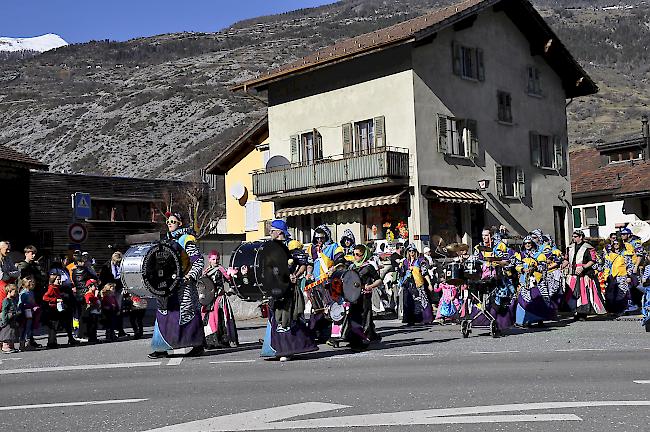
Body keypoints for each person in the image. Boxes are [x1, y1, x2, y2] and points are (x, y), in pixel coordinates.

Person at [149, 212, 205, 359]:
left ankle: (197, 345)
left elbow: (198, 261)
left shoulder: (186, 239)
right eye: (168, 221)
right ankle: (160, 347)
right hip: (167, 286)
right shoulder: (165, 240)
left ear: (180, 223)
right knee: (163, 315)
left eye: (173, 221)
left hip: (183, 286)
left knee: (187, 315)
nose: (169, 223)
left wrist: (190, 276)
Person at [261, 219, 317, 361]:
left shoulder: (291, 246)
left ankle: (287, 350)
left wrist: (295, 276)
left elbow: (303, 263)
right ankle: (278, 348)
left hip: (288, 290)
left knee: (287, 318)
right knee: (277, 318)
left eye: (272, 230)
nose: (270, 233)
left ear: (279, 232)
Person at [344, 244, 382, 349]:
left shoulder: (368, 267)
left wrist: (370, 286)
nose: (355, 256)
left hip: (364, 296)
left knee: (363, 318)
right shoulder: (352, 266)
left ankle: (362, 340)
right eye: (354, 254)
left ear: (364, 255)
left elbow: (379, 280)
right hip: (353, 296)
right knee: (352, 318)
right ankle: (353, 340)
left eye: (358, 255)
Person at [513, 236, 557, 327]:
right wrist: (522, 269)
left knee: (539, 300)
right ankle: (525, 320)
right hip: (525, 282)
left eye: (529, 243)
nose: (528, 245)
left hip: (537, 281)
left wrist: (535, 268)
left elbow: (544, 267)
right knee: (524, 301)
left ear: (532, 243)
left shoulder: (539, 255)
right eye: (526, 243)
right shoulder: (520, 255)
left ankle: (539, 320)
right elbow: (517, 265)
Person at [562, 230, 606, 320]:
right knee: (573, 293)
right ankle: (576, 312)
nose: (573, 238)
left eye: (575, 236)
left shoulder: (588, 248)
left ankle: (583, 313)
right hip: (572, 274)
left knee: (583, 293)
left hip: (584, 274)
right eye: (573, 236)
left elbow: (592, 260)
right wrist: (563, 265)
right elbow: (567, 259)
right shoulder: (570, 247)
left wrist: (583, 267)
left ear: (581, 237)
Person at [201, 250, 238, 349]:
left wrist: (231, 290)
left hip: (220, 299)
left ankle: (223, 340)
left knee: (221, 318)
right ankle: (211, 341)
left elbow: (231, 280)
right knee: (210, 320)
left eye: (217, 259)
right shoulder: (206, 271)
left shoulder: (221, 269)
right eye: (213, 259)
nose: (215, 261)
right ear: (209, 260)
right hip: (209, 300)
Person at [398, 244, 433, 325]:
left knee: (423, 301)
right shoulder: (404, 262)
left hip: (418, 283)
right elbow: (401, 274)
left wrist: (429, 284)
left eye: (413, 251)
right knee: (408, 302)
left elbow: (425, 273)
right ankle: (410, 320)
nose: (411, 253)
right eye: (409, 251)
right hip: (408, 284)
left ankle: (426, 319)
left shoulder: (420, 261)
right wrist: (401, 270)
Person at [602, 236, 634, 315]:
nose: (616, 245)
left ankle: (621, 310)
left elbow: (630, 266)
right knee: (610, 294)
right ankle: (612, 310)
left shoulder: (625, 254)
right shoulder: (609, 255)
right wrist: (605, 277)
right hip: (611, 277)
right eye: (614, 243)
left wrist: (629, 276)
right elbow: (606, 266)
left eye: (617, 243)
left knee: (622, 293)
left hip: (622, 276)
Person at [99, 251, 128, 338]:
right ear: (113, 259)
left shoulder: (122, 265)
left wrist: (125, 287)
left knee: (119, 310)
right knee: (110, 310)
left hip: (119, 289)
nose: (118, 263)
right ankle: (110, 331)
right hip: (109, 290)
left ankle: (120, 330)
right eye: (117, 262)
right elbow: (102, 278)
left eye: (119, 262)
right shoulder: (106, 266)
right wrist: (104, 290)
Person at [18, 275, 42, 350]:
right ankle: (23, 344)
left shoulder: (31, 292)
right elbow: (20, 304)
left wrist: (35, 306)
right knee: (26, 327)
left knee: (30, 327)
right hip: (26, 312)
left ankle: (29, 343)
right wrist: (30, 306)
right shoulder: (23, 293)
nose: (34, 285)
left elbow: (33, 302)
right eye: (32, 283)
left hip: (31, 312)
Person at [43, 274, 64, 348]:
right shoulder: (51, 288)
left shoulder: (56, 288)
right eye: (57, 279)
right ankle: (51, 343)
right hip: (51, 309)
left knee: (55, 326)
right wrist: (55, 300)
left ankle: (53, 341)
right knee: (53, 326)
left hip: (56, 308)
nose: (59, 281)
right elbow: (45, 297)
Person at [78, 279, 101, 343]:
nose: (96, 287)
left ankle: (94, 337)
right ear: (89, 287)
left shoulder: (92, 294)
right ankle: (91, 337)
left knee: (94, 325)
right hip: (91, 312)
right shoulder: (89, 294)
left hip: (95, 311)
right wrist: (96, 296)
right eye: (94, 286)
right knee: (92, 325)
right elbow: (88, 302)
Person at [0, 284, 21, 353]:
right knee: (7, 333)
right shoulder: (6, 301)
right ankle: (5, 346)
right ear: (9, 291)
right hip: (8, 320)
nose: (16, 293)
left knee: (12, 333)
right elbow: (4, 311)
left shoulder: (13, 300)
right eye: (14, 291)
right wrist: (4, 321)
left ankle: (11, 346)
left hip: (13, 320)